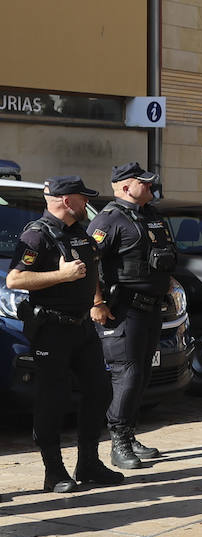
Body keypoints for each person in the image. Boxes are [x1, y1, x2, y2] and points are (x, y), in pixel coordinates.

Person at [6, 177, 124, 493]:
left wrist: (97, 300)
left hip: (83, 326)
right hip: (52, 329)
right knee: (52, 401)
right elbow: (15, 280)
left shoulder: (79, 234)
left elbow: (92, 272)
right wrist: (62, 275)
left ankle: (88, 463)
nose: (86, 204)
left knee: (99, 392)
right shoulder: (37, 235)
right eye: (82, 198)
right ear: (66, 200)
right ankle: (54, 471)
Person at [90, 162, 178, 470]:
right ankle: (118, 444)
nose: (152, 187)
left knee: (141, 374)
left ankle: (130, 433)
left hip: (151, 308)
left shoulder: (150, 216)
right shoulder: (109, 220)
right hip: (123, 310)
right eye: (146, 183)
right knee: (126, 375)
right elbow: (90, 265)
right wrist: (98, 302)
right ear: (126, 187)